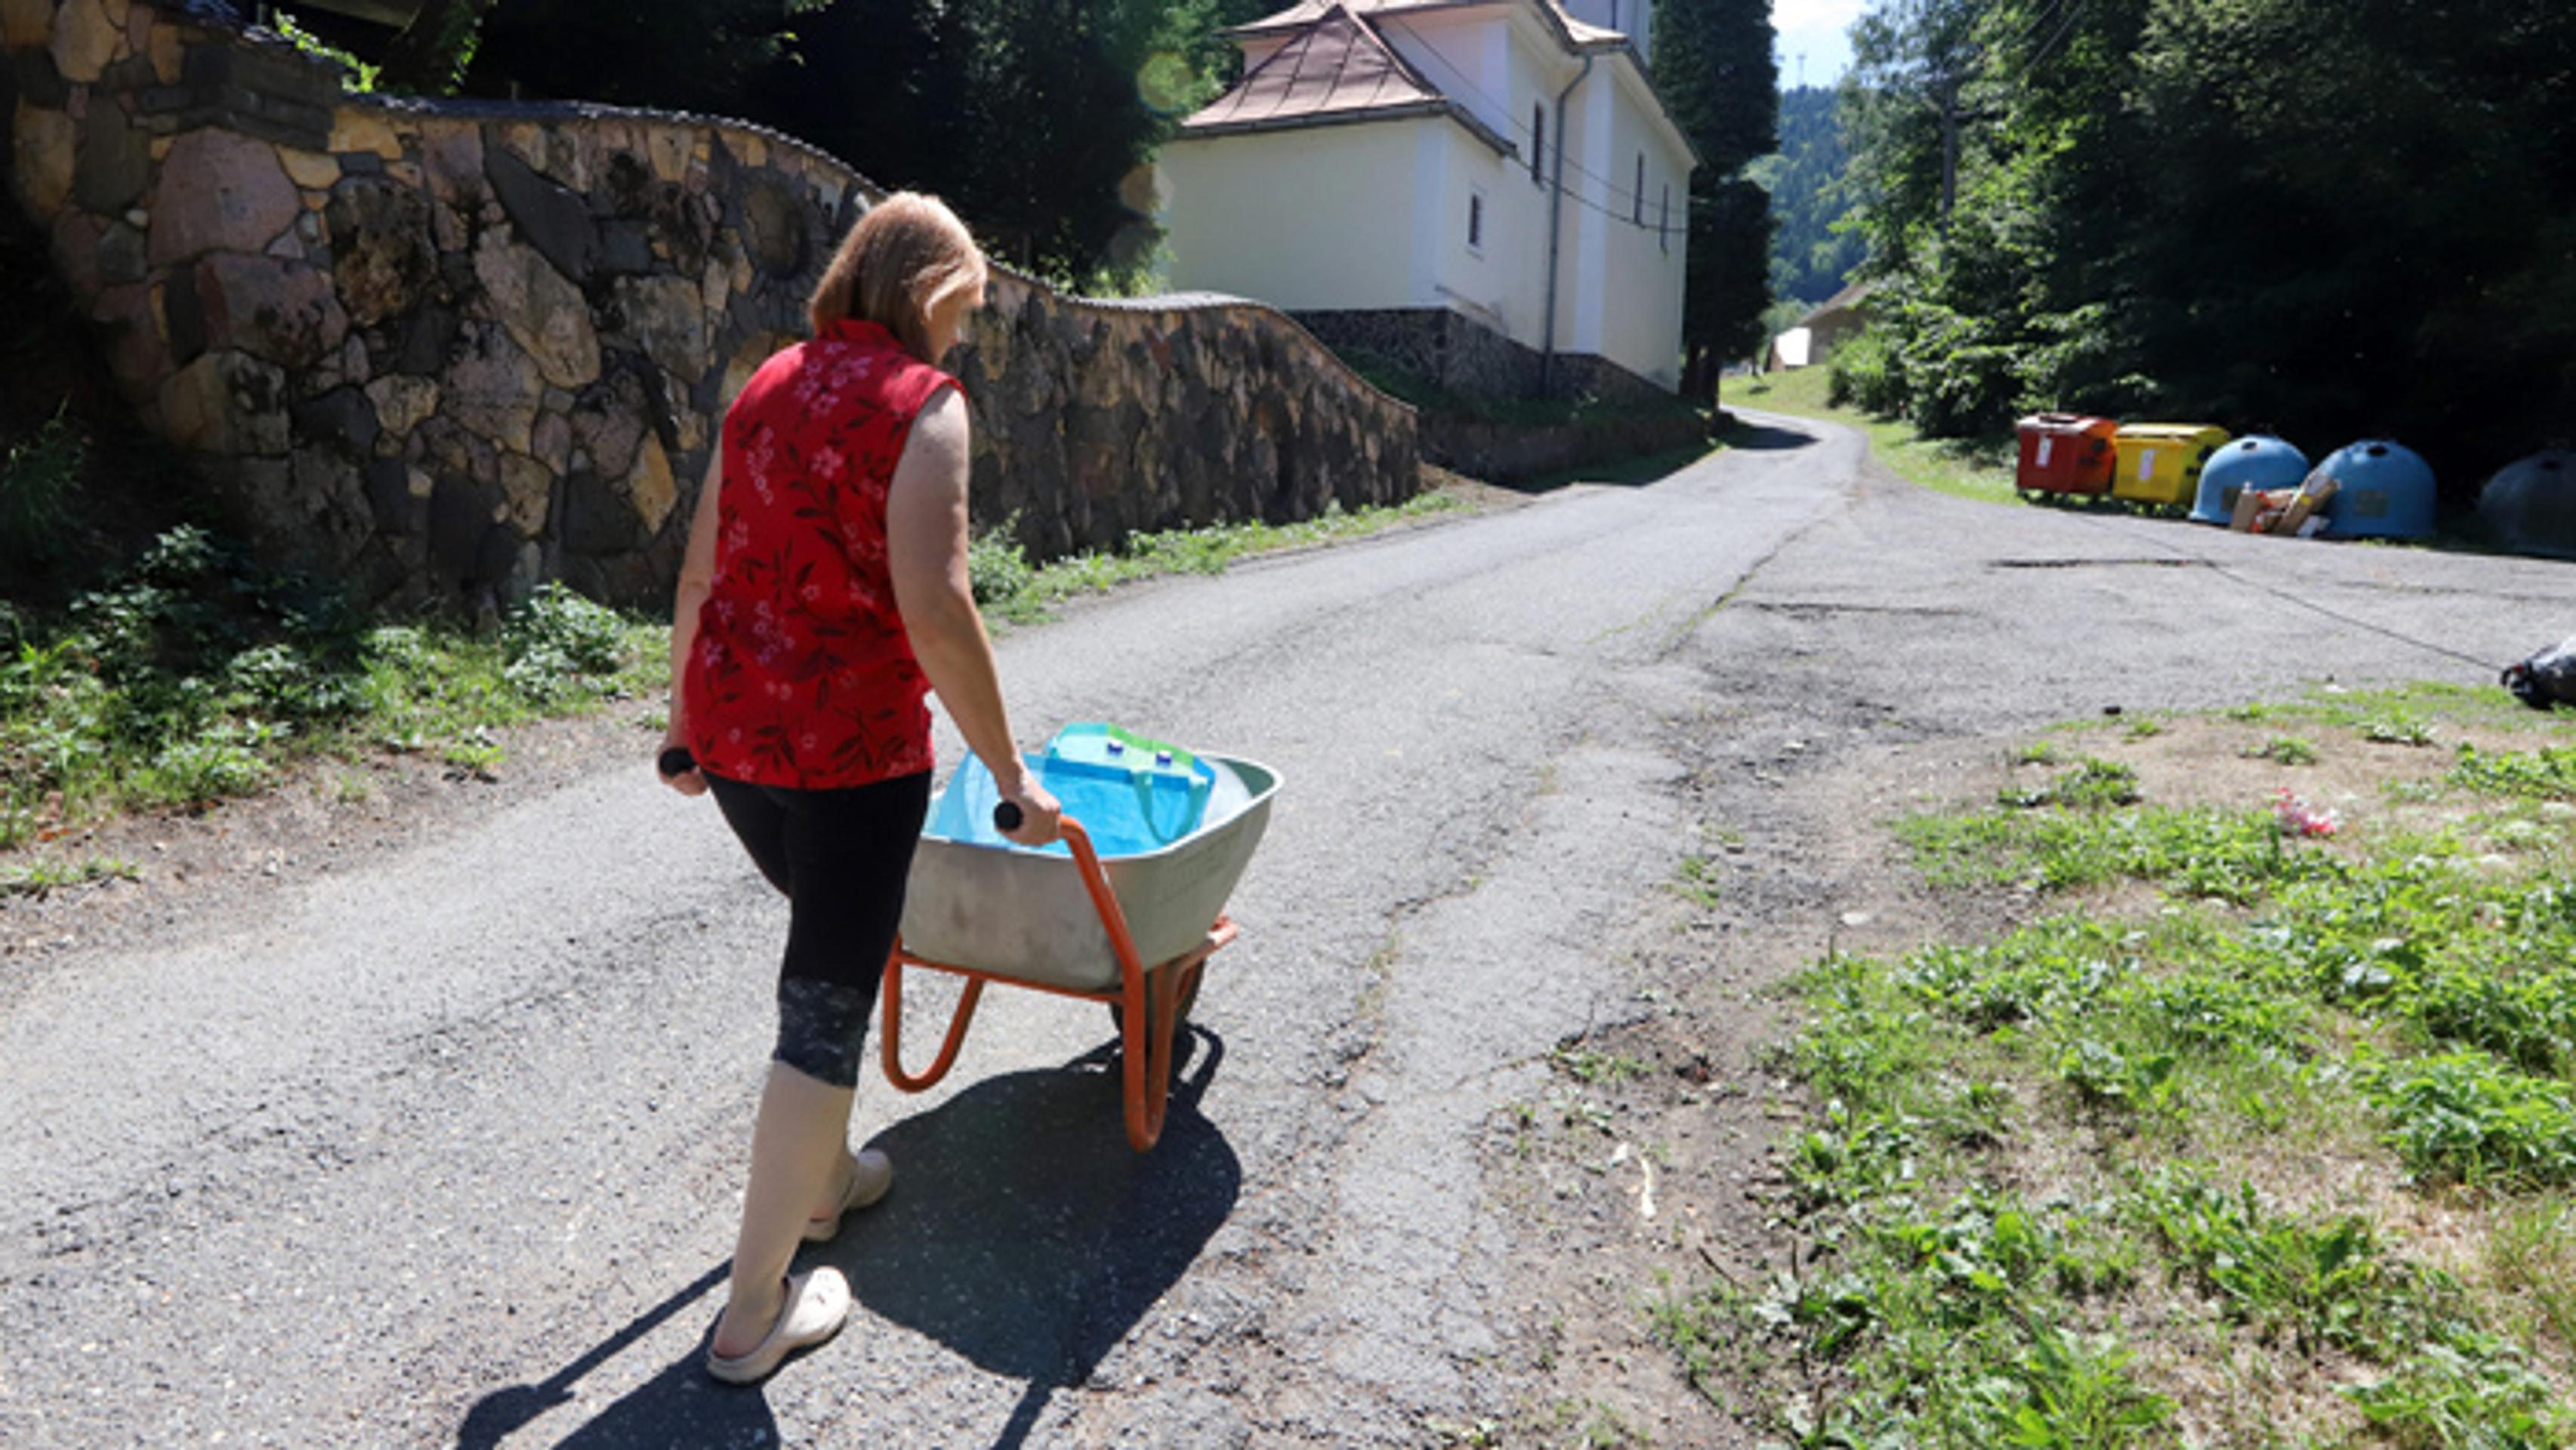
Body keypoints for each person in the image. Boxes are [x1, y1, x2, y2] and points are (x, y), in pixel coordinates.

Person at [657, 192, 1063, 1385]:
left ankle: (824, 1176)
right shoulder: (923, 407)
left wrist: (682, 727)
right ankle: (751, 1315)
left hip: (738, 748)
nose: (963, 341)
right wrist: (1012, 776)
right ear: (934, 294)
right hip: (853, 762)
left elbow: (697, 572)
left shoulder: (767, 382)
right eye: (965, 315)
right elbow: (935, 608)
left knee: (829, 955)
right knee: (823, 1007)